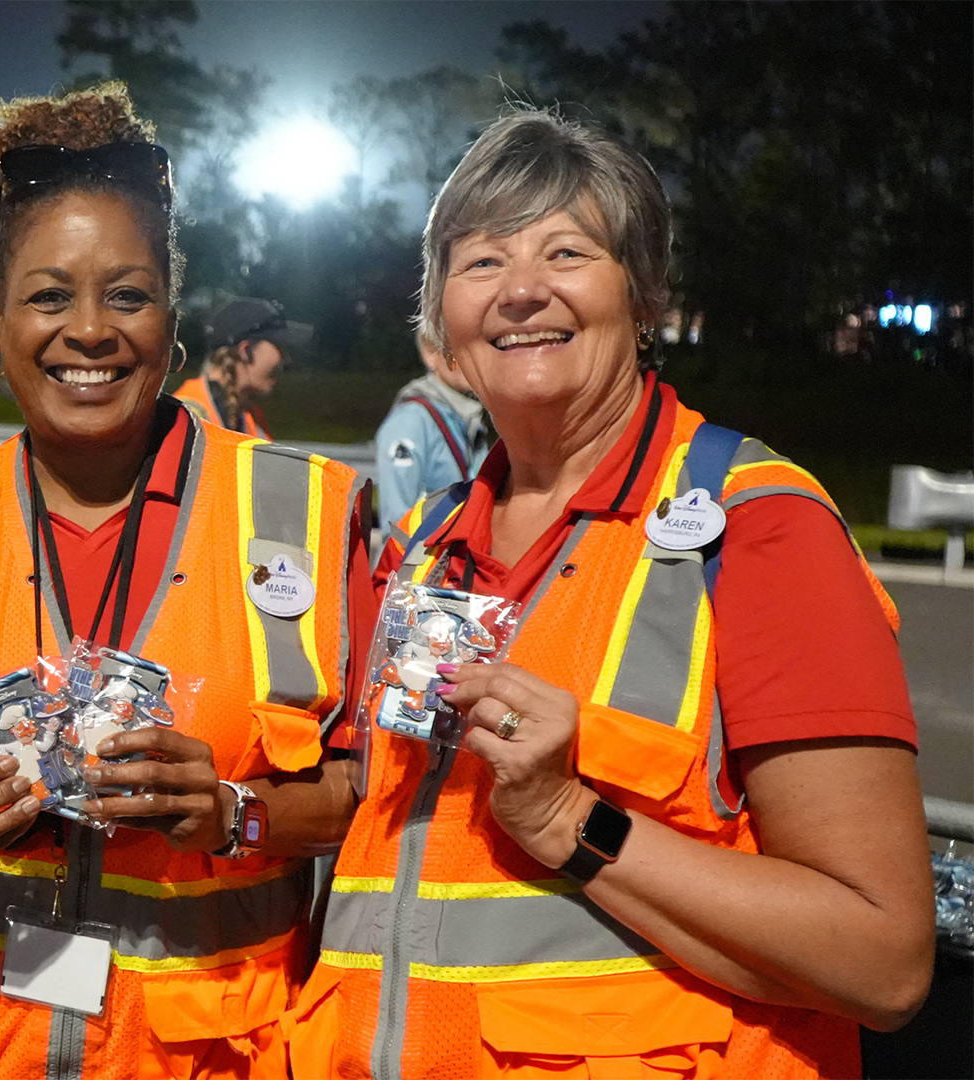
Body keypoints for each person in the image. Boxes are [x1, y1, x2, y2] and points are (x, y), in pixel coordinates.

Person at [290, 110, 933, 1079]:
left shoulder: (760, 527)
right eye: (480, 263)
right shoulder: (421, 547)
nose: (520, 291)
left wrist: (569, 821)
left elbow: (883, 963)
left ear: (645, 300)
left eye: (566, 250)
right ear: (440, 327)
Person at [0, 83, 370, 1080]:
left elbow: (371, 795)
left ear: (171, 314)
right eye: (48, 294)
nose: (90, 330)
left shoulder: (310, 515)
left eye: (127, 292)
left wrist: (237, 816)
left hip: (208, 1054)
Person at [373, 331, 492, 527]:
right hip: (420, 557)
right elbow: (396, 525)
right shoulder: (411, 421)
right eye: (454, 349)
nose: (466, 359)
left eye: (473, 348)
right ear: (430, 353)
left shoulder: (470, 420)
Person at [169, 295, 310, 438]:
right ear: (246, 351)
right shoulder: (187, 416)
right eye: (279, 348)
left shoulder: (248, 416)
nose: (285, 360)